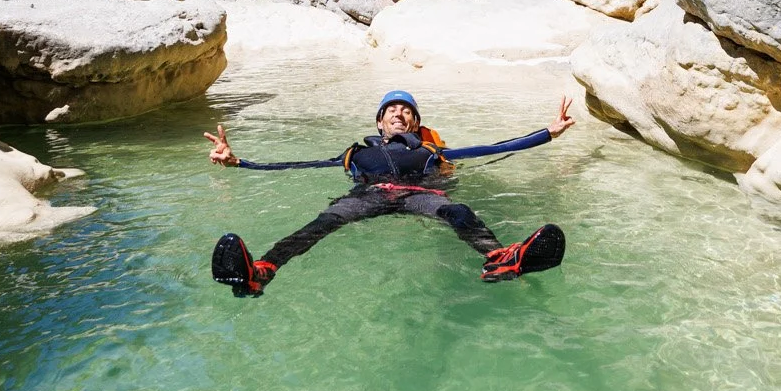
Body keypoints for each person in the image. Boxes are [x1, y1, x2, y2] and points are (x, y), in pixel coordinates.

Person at [203, 89, 575, 296]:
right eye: (391, 110)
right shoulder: (356, 153)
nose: (399, 114)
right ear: (380, 122)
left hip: (419, 193)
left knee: (458, 211)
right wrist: (239, 163)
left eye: (406, 111)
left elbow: (493, 148)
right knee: (321, 224)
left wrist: (548, 133)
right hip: (368, 194)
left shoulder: (430, 151)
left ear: (415, 122)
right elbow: (297, 165)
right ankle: (262, 270)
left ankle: (501, 258)